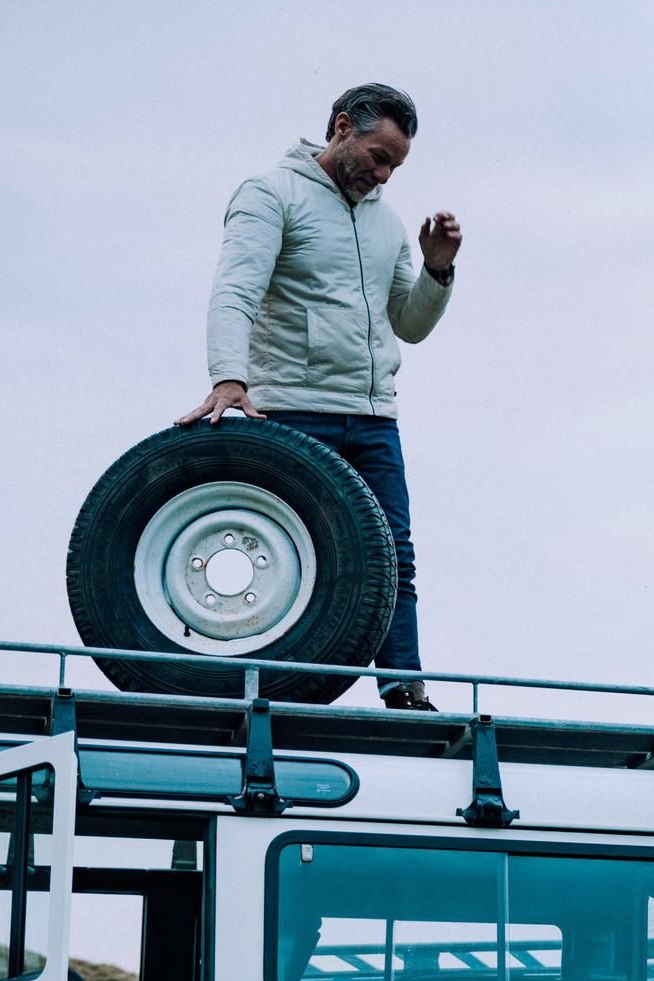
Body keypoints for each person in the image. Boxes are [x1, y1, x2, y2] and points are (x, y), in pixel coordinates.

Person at [178, 82, 462, 709]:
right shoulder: (269, 194)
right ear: (341, 128)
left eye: (396, 165)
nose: (384, 173)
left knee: (394, 560)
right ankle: (275, 689)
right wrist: (229, 377)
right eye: (378, 156)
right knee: (298, 555)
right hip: (291, 408)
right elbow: (236, 290)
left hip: (372, 418)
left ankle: (405, 690)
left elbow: (408, 325)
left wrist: (437, 270)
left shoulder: (387, 222)